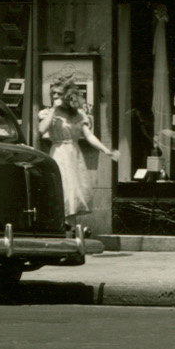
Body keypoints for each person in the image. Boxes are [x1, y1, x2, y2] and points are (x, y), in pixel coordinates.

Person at [41, 77, 108, 235]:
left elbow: (89, 135)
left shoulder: (78, 114)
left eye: (59, 93)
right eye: (53, 93)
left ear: (67, 95)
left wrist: (105, 149)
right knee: (64, 190)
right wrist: (53, 110)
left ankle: (71, 228)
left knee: (74, 192)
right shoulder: (48, 113)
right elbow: (41, 129)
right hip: (59, 153)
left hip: (74, 155)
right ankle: (69, 228)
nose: (55, 96)